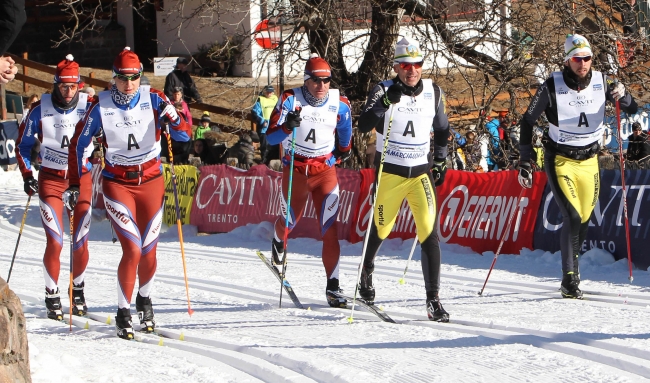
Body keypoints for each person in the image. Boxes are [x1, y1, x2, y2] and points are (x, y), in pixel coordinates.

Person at [64, 47, 190, 339]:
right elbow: (77, 145)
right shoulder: (101, 106)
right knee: (132, 249)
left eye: (134, 78)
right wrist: (74, 182)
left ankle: (145, 300)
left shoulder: (155, 98)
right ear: (114, 78)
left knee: (149, 250)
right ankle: (123, 312)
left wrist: (176, 115)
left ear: (140, 77)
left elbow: (183, 134)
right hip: (118, 184)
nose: (129, 84)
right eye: (123, 78)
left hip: (151, 181)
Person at [517, 34, 638, 299]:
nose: (582, 64)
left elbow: (632, 108)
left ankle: (574, 267)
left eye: (587, 58)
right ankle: (569, 278)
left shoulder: (602, 82)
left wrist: (624, 94)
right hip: (560, 160)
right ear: (567, 60)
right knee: (571, 216)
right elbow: (527, 121)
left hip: (590, 161)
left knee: (583, 219)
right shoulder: (551, 86)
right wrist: (525, 160)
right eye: (576, 59)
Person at [357, 37, 451, 322]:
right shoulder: (382, 89)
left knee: (429, 233)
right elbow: (363, 125)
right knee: (383, 228)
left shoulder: (433, 91)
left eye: (417, 65)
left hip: (420, 174)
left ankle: (433, 300)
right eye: (405, 66)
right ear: (396, 66)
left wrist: (441, 158)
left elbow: (443, 129)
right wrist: (384, 103)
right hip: (391, 174)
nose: (412, 71)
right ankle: (367, 270)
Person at [265, 53, 352, 308]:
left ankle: (333, 286)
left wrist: (342, 152)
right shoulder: (290, 99)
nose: (321, 86)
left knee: (330, 229)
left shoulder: (340, 103)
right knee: (290, 221)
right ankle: (279, 239)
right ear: (306, 80)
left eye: (326, 81)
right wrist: (286, 127)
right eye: (316, 81)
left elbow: (346, 131)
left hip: (324, 171)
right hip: (296, 171)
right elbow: (270, 138)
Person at [15, 54, 95, 320]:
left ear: (80, 85)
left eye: (73, 86)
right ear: (55, 84)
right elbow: (23, 146)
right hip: (51, 178)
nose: (68, 91)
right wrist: (27, 174)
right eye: (63, 86)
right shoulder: (40, 108)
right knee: (56, 240)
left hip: (81, 178)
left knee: (80, 242)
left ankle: (78, 289)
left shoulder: (89, 105)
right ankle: (52, 293)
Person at [252, 85, 278, 162]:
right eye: (268, 91)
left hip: (274, 125)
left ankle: (274, 160)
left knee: (275, 145)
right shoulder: (260, 100)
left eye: (271, 92)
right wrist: (262, 121)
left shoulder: (275, 99)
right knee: (265, 145)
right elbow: (255, 113)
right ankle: (264, 161)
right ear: (264, 92)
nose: (269, 93)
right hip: (264, 127)